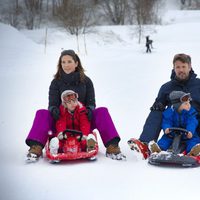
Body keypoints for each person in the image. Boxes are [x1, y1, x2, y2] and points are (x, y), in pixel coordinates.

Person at [26, 49, 126, 161]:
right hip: (62, 120)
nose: (66, 65)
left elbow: (91, 102)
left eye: (69, 61)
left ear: (76, 63)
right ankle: (36, 147)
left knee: (102, 111)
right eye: (63, 62)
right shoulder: (56, 82)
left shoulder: (86, 81)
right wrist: (54, 110)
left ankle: (112, 146)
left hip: (82, 119)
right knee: (42, 113)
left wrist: (89, 110)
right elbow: (52, 104)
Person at [128, 53, 200, 159]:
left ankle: (196, 150)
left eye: (184, 67)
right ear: (174, 68)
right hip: (173, 122)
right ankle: (145, 145)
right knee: (156, 112)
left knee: (194, 137)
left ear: (189, 67)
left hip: (195, 121)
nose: (181, 70)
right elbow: (158, 103)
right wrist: (159, 105)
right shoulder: (167, 87)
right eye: (178, 67)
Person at [148, 91, 200, 156]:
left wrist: (190, 131)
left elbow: (192, 122)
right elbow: (167, 121)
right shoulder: (170, 112)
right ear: (178, 105)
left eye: (189, 103)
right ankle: (159, 149)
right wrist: (166, 128)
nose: (189, 105)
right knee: (165, 139)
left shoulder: (191, 112)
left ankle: (193, 151)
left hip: (188, 134)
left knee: (193, 140)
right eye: (186, 104)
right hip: (172, 133)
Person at [49, 90, 97, 155]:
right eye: (69, 102)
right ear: (65, 104)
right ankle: (54, 147)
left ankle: (90, 146)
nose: (72, 104)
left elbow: (85, 123)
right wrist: (61, 133)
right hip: (67, 136)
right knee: (61, 142)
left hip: (80, 135)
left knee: (84, 142)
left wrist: (84, 134)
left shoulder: (82, 110)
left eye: (74, 101)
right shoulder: (62, 112)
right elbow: (61, 123)